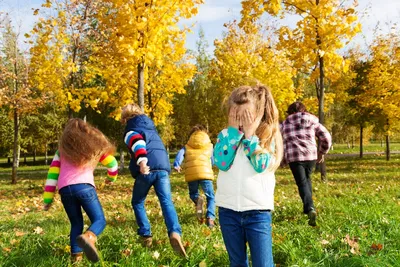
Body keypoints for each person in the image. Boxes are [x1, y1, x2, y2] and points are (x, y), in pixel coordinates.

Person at [214, 85, 283, 267]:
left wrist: (251, 137)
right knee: (236, 262)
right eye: (236, 116)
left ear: (258, 116)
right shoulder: (225, 136)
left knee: (263, 263)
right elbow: (221, 162)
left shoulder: (267, 137)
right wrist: (232, 135)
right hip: (228, 211)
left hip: (257, 212)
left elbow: (261, 165)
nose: (241, 122)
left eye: (246, 117)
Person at [42, 118, 118, 263]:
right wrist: (111, 178)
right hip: (85, 187)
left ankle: (76, 260)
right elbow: (113, 164)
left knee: (76, 224)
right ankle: (89, 237)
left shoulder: (61, 152)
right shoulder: (92, 147)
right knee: (99, 220)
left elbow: (51, 176)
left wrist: (47, 200)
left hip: (65, 191)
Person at [121, 104, 187, 257]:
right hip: (163, 169)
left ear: (125, 118)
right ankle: (175, 233)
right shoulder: (151, 129)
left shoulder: (131, 130)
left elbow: (138, 143)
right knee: (166, 201)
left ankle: (145, 235)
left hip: (147, 169)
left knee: (137, 202)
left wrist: (142, 163)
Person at [280, 101, 332, 226]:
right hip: (311, 156)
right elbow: (326, 137)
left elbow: (280, 142)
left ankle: (310, 208)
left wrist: (283, 159)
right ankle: (308, 207)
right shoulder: (313, 121)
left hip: (295, 157)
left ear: (290, 112)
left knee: (302, 182)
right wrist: (322, 152)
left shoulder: (284, 125)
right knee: (307, 179)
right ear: (304, 110)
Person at [173, 124, 216, 228]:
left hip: (192, 174)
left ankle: (197, 200)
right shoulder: (209, 146)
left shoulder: (187, 146)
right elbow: (213, 160)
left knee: (193, 193)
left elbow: (180, 154)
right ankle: (210, 218)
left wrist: (177, 164)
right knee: (211, 197)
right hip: (205, 173)